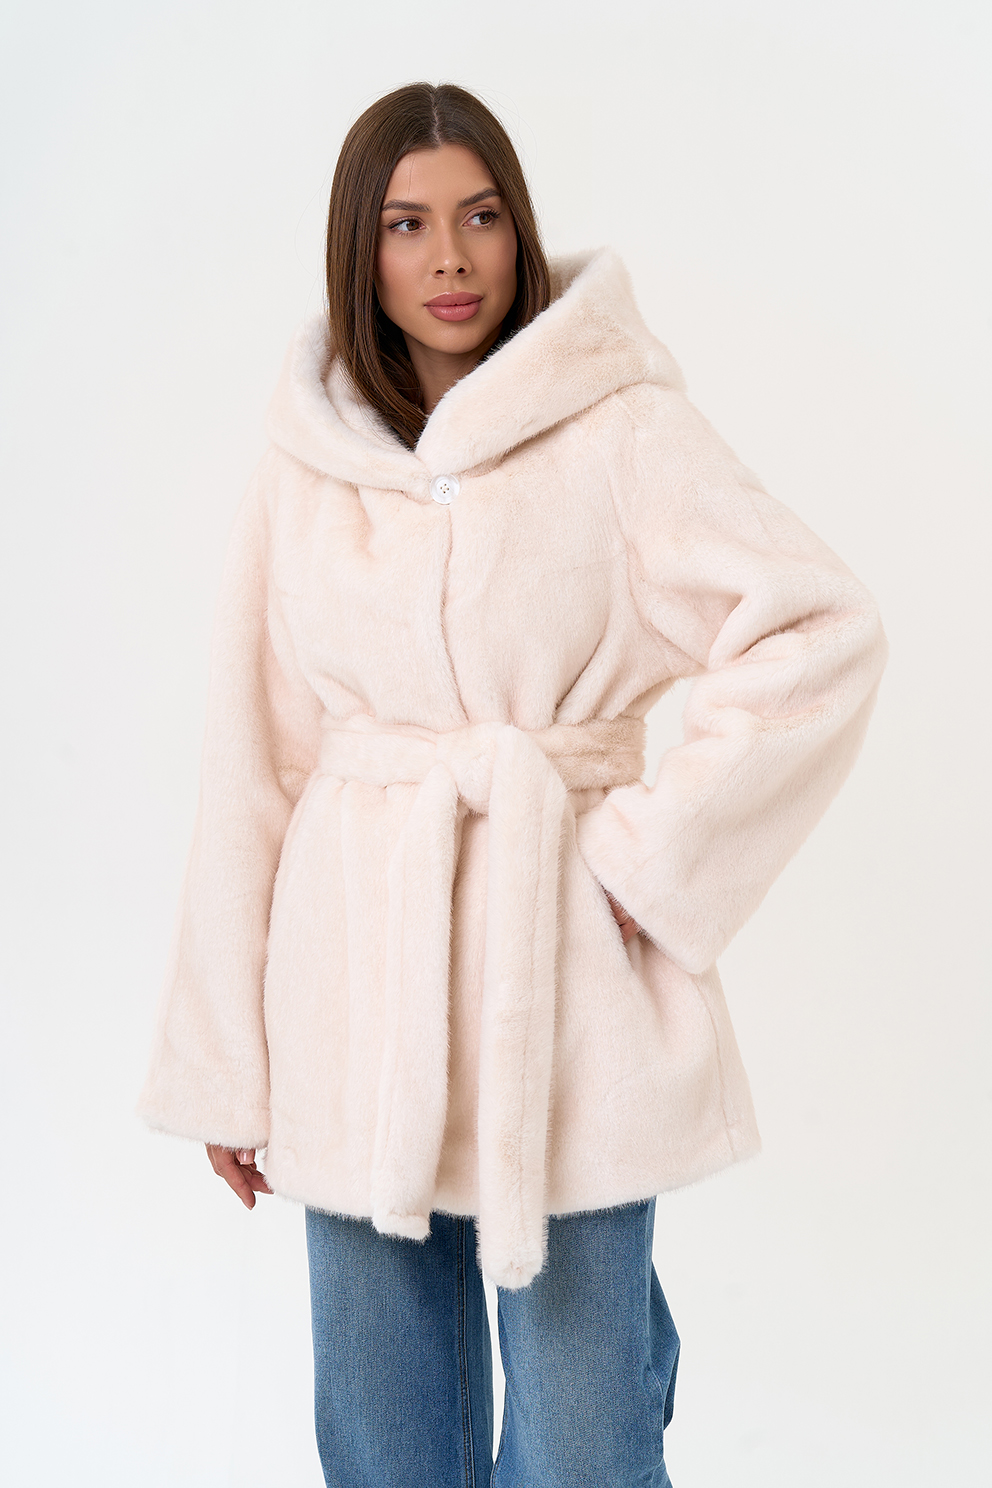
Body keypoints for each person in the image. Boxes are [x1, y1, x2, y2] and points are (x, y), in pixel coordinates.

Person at [138, 81, 887, 1487]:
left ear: (519, 231)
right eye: (408, 224)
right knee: (380, 1437)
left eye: (480, 217)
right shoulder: (308, 461)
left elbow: (817, 632)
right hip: (355, 995)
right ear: (359, 249)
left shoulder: (618, 428)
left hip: (566, 990)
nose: (451, 258)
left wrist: (650, 865)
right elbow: (255, 760)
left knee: (587, 1431)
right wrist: (227, 1063)